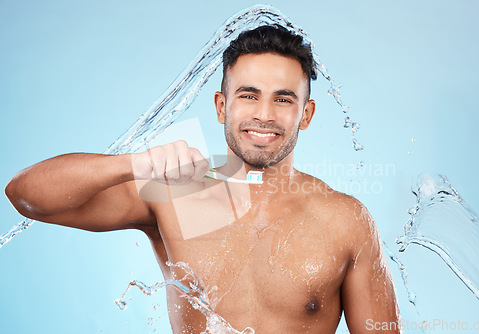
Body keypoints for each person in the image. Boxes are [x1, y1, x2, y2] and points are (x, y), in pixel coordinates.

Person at [5, 25, 400, 333]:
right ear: (221, 106)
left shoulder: (343, 220)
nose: (264, 114)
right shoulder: (176, 193)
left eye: (283, 99)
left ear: (307, 115)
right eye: (248, 95)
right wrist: (134, 164)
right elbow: (25, 195)